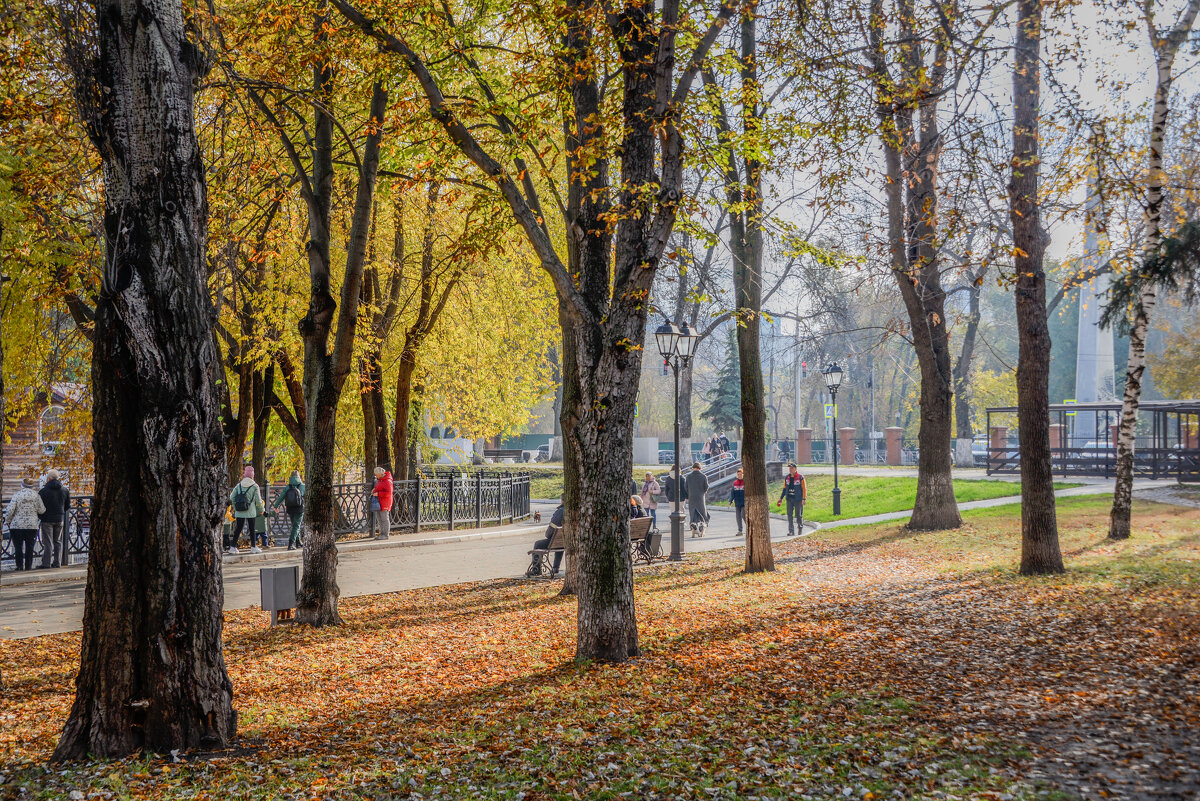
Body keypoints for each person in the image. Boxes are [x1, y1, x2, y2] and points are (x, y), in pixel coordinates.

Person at [5, 478, 45, 571]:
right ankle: (28, 566)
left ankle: (19, 566)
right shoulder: (36, 496)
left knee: (18, 547)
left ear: (22, 485)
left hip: (17, 525)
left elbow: (10, 510)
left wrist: (8, 520)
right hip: (32, 526)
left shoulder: (17, 495)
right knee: (30, 547)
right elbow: (42, 510)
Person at [228, 466, 265, 554]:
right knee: (252, 529)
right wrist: (261, 509)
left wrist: (235, 506)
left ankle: (232, 547)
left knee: (238, 529)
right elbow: (258, 500)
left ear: (245, 475)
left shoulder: (239, 485)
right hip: (251, 511)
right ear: (252, 475)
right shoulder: (255, 486)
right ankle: (253, 547)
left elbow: (231, 497)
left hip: (239, 511)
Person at [38, 469, 71, 568]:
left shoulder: (43, 491)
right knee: (58, 541)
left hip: (47, 519)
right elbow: (67, 505)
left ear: (48, 478)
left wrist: (41, 516)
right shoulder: (65, 490)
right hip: (59, 518)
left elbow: (39, 506)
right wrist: (60, 512)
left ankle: (46, 564)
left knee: (48, 542)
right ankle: (57, 563)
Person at [272, 470, 306, 550]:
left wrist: (276, 506)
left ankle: (298, 542)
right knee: (296, 526)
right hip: (299, 508)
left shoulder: (288, 487)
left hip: (290, 508)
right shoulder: (302, 486)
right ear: (299, 477)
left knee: (294, 525)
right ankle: (291, 544)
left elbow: (281, 497)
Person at [531, 502, 565, 577]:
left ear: (562, 501)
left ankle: (536, 570)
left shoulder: (561, 511)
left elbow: (552, 528)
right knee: (560, 543)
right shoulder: (574, 510)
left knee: (538, 544)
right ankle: (555, 567)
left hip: (556, 541)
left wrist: (548, 534)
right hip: (565, 541)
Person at [777, 463, 807, 536]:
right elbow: (784, 488)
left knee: (798, 514)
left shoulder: (800, 477)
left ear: (796, 469)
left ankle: (800, 527)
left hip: (798, 499)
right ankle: (791, 531)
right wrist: (781, 498)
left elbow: (804, 489)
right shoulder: (787, 477)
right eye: (790, 468)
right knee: (789, 514)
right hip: (789, 498)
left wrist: (804, 499)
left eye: (792, 468)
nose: (791, 469)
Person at [685, 461, 709, 537]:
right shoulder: (703, 476)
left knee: (693, 512)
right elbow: (706, 487)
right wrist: (703, 492)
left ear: (693, 468)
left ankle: (693, 526)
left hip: (691, 497)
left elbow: (685, 487)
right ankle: (702, 526)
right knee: (702, 513)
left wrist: (688, 494)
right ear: (700, 468)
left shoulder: (688, 477)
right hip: (700, 497)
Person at [369, 466, 394, 540]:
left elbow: (389, 493)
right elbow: (379, 487)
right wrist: (374, 489)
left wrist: (379, 494)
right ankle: (381, 533)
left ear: (380, 474)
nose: (375, 476)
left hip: (385, 502)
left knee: (384, 519)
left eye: (376, 474)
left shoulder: (387, 481)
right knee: (379, 519)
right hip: (379, 502)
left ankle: (385, 534)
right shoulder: (380, 480)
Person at [730, 468, 746, 536]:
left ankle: (749, 527)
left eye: (741, 474)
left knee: (743, 515)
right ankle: (740, 530)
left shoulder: (745, 482)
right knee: (738, 517)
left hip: (744, 503)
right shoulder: (735, 483)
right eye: (738, 474)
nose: (739, 475)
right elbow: (732, 493)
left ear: (743, 475)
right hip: (737, 503)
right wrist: (730, 500)